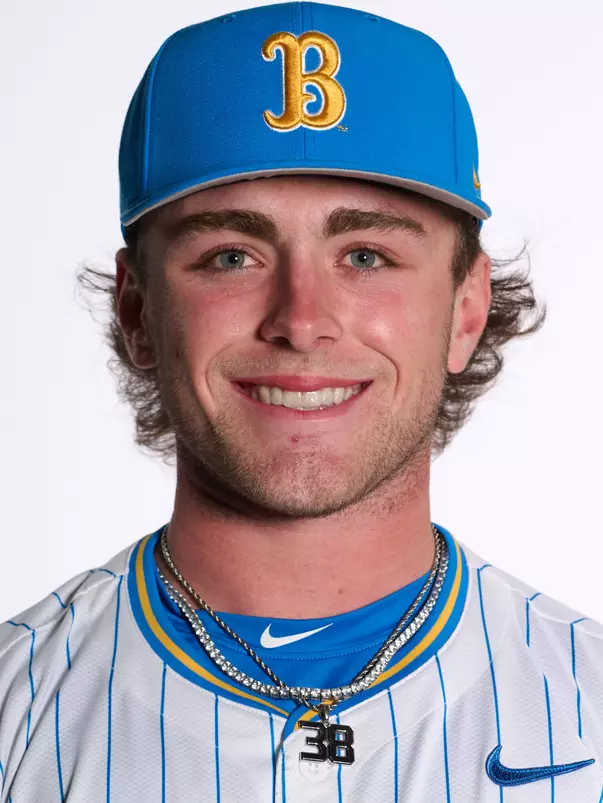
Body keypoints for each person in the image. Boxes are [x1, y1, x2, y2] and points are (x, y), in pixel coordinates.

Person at [1, 2, 601, 801]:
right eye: (230, 254)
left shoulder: (588, 702)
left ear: (464, 309)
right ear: (138, 312)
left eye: (365, 253)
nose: (301, 320)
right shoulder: (17, 715)